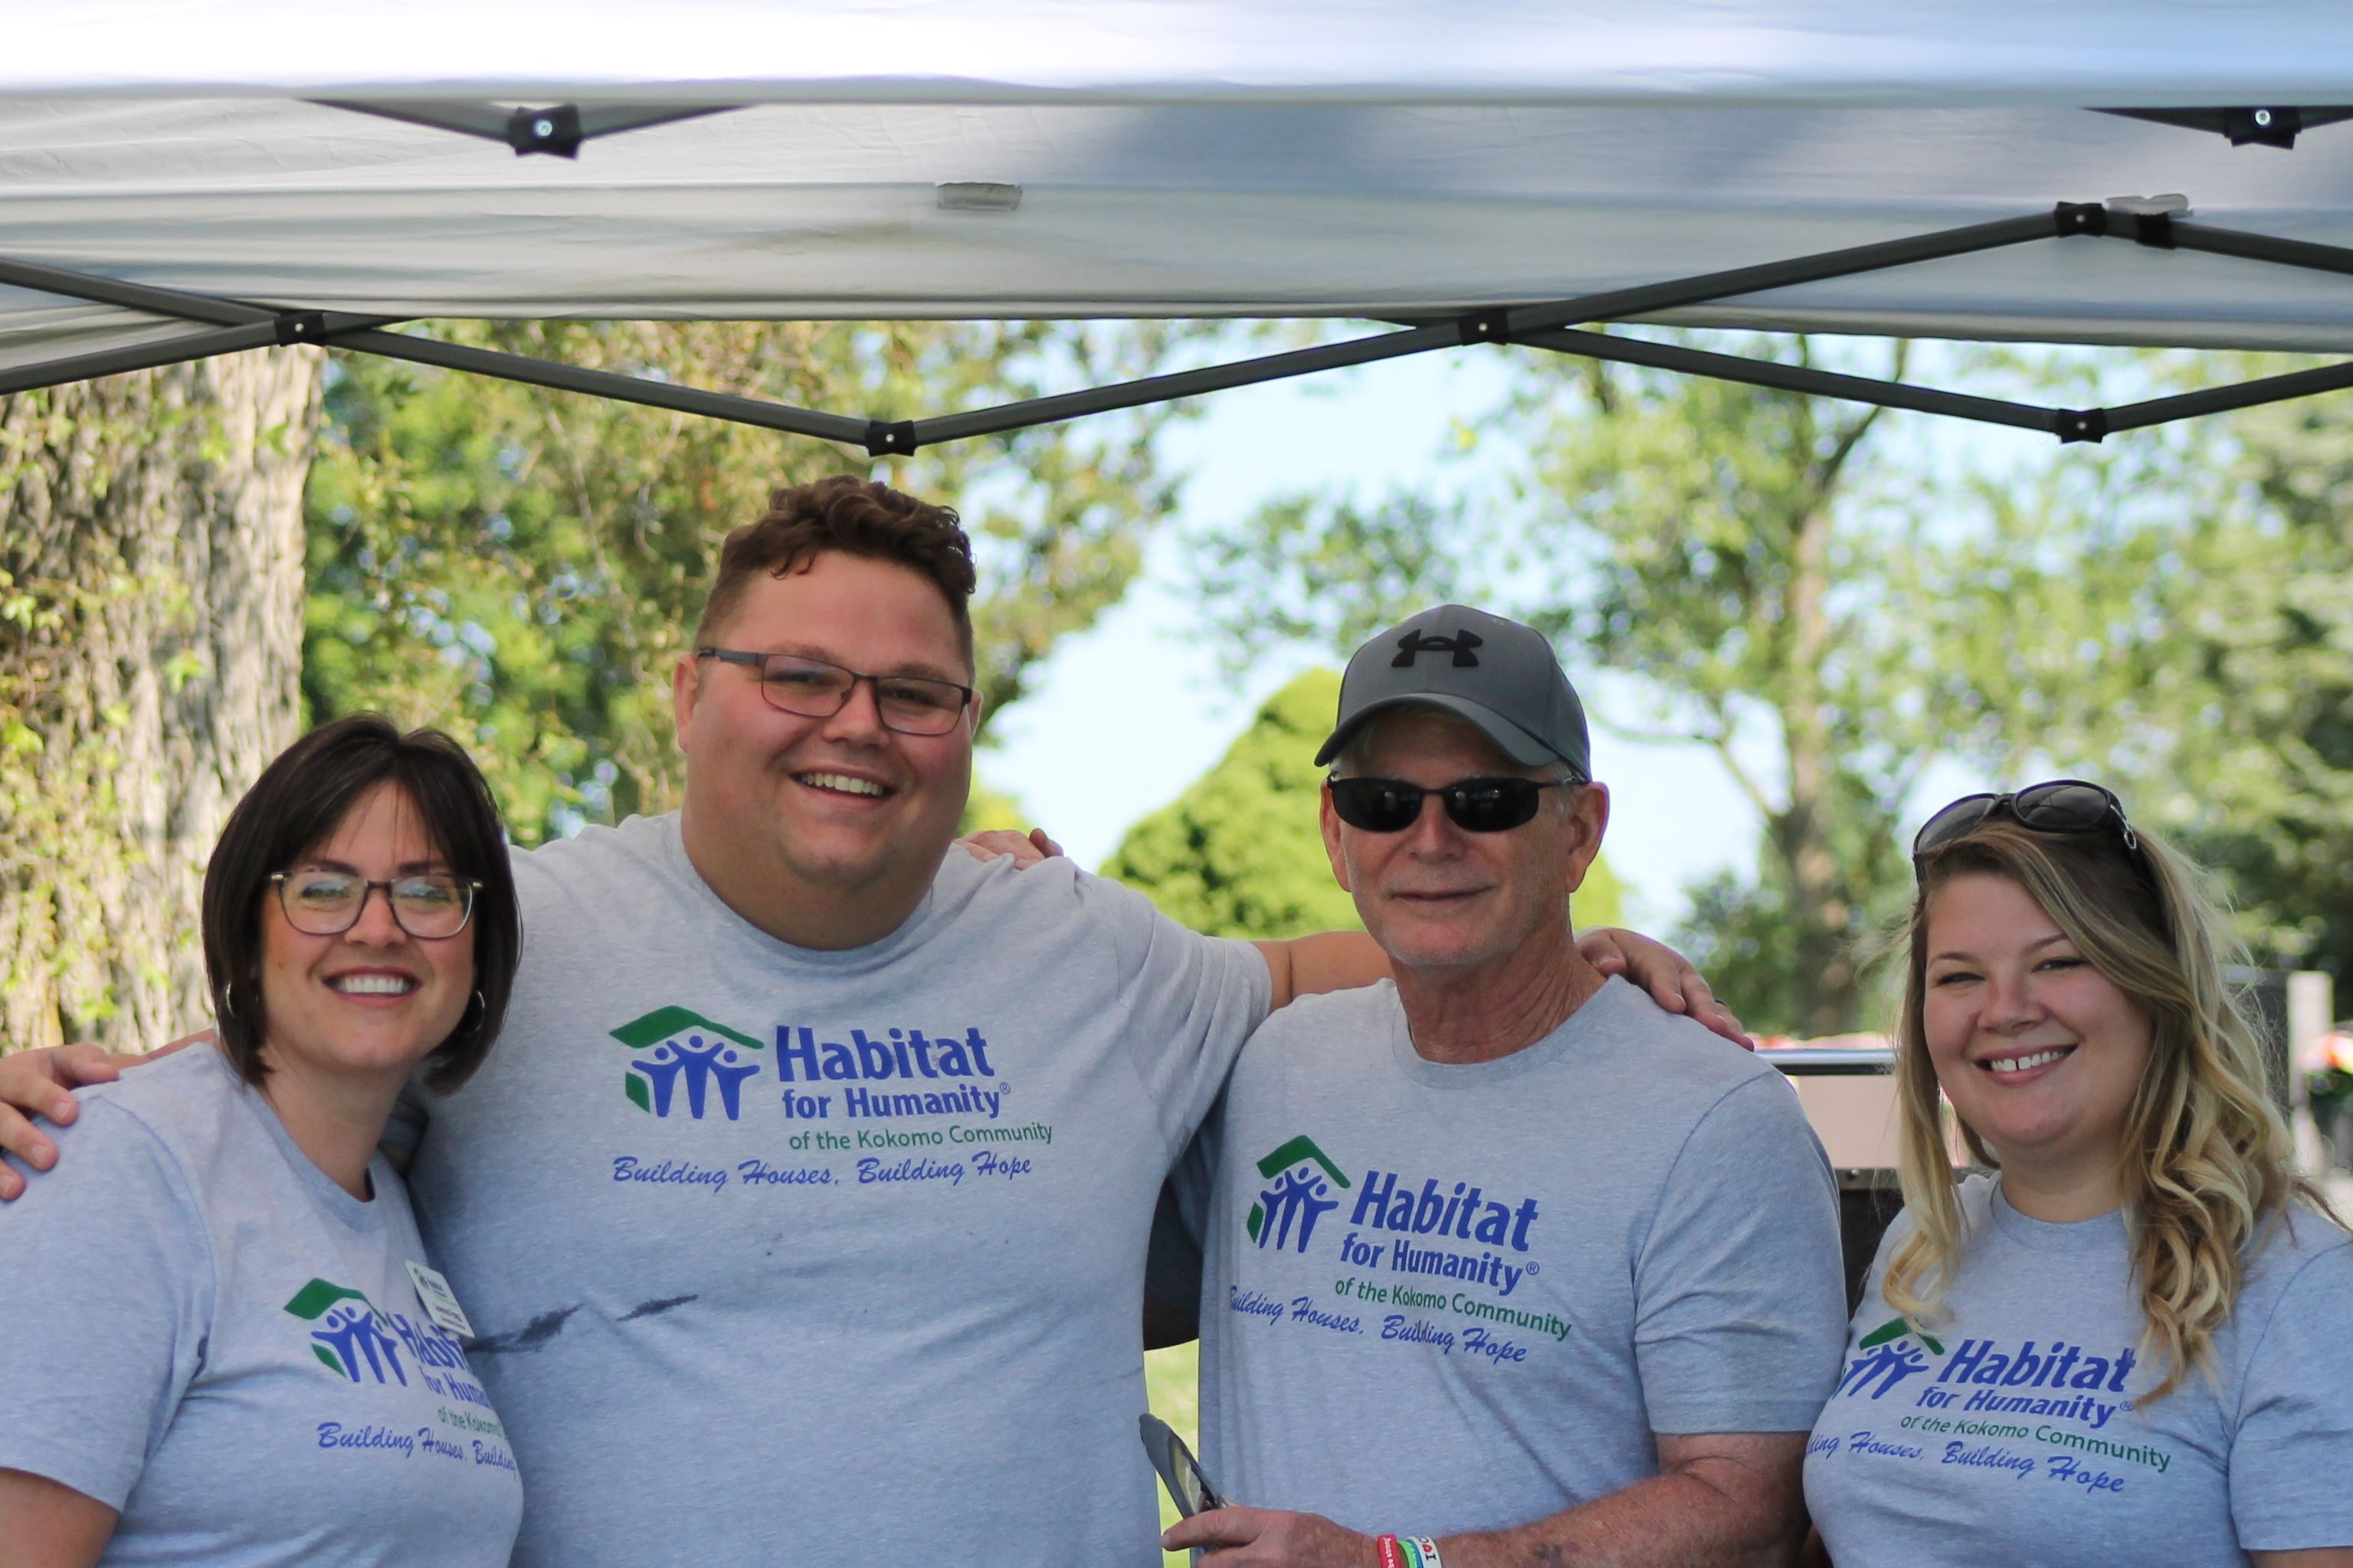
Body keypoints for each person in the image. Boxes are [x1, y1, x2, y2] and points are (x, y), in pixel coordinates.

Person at [0, 480, 1735, 1568]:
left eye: (913, 691)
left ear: (966, 723)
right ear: (688, 694)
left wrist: (1560, 937)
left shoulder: (1078, 948)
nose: (857, 725)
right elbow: (289, 1067)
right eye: (799, 677)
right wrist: (54, 1095)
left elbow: (1299, 962)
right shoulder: (508, 934)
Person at [1153, 605, 1848, 1568]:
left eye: (1486, 800)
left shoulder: (1716, 1120)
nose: (1430, 838)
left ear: (1579, 831)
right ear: (1333, 831)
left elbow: (1750, 1508)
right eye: (1382, 801)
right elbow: (1072, 1290)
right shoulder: (1272, 1066)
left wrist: (1395, 1563)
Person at [0, 715, 526, 1567]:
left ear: (478, 951)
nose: (378, 927)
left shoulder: (392, 1198)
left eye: (428, 892)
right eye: (323, 888)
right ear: (247, 938)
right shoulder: (124, 1165)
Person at [1801, 781, 2353, 1567]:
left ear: (2154, 988)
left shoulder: (2297, 1285)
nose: (2004, 1009)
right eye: (1958, 976)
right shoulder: (1922, 1243)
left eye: (2056, 961)